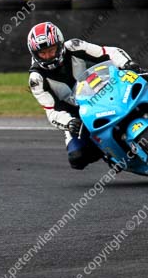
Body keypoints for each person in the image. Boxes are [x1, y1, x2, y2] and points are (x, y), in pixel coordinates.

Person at [27, 21, 143, 170]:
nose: (48, 56)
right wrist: (69, 122)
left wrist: (127, 64)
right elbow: (51, 111)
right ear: (35, 54)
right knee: (77, 158)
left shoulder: (75, 46)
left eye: (51, 49)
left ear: (60, 44)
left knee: (141, 79)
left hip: (104, 90)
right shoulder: (36, 79)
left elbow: (109, 52)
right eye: (42, 53)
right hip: (78, 115)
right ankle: (109, 152)